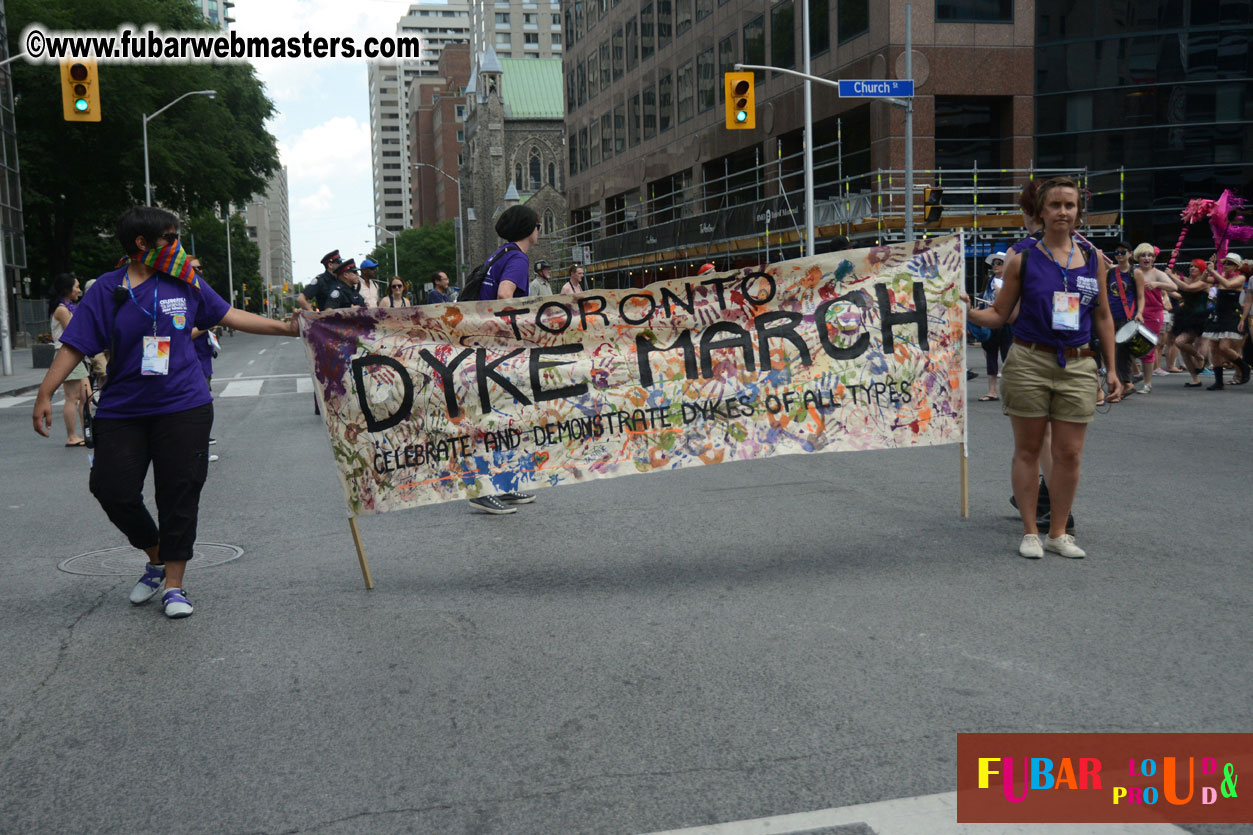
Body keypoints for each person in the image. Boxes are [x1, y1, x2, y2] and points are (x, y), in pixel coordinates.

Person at [31, 207, 298, 619]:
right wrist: (44, 392)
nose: (178, 246)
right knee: (111, 489)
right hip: (123, 408)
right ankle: (156, 557)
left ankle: (174, 585)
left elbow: (229, 315)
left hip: (184, 405)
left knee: (178, 493)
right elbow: (75, 344)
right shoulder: (107, 288)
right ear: (142, 243)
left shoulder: (184, 280)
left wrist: (288, 328)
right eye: (170, 238)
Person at [964, 176, 1121, 560]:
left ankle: (1058, 533)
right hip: (1029, 361)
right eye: (1055, 205)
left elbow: (1103, 316)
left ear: (1078, 212)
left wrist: (1112, 370)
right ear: (1041, 211)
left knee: (1070, 453)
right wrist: (967, 311)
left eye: (1069, 205)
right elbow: (1000, 314)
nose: (1062, 212)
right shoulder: (1023, 259)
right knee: (1029, 450)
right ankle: (1031, 532)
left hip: (1079, 363)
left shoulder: (1094, 260)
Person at [467, 203, 540, 515]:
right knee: (494, 417)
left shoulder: (500, 254)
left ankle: (504, 485)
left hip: (481, 345)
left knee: (502, 417)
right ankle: (482, 490)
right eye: (538, 225)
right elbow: (504, 295)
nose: (539, 230)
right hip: (497, 349)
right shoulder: (518, 258)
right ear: (529, 229)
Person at [47, 273, 90, 446]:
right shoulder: (62, 310)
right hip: (66, 354)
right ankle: (72, 436)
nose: (79, 290)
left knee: (86, 396)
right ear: (67, 289)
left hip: (75, 355)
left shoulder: (68, 307)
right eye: (76, 286)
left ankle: (86, 432)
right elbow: (74, 332)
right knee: (72, 397)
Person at [1201, 252, 1251, 390]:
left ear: (1236, 266)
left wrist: (1213, 272)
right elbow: (1204, 279)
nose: (1225, 265)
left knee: (1224, 347)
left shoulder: (1240, 278)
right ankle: (1218, 382)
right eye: (1224, 263)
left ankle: (1244, 367)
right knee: (1214, 348)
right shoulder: (1221, 277)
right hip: (1218, 315)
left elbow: (1228, 284)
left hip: (1231, 315)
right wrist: (1208, 268)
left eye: (1229, 263)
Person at [187, 256, 220, 463]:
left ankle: (201, 443)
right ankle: (198, 448)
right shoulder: (181, 295)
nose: (199, 271)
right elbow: (184, 334)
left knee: (203, 402)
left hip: (203, 357)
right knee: (198, 404)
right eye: (194, 268)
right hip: (190, 361)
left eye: (200, 268)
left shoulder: (199, 292)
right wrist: (207, 325)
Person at [1131, 243, 1172, 391]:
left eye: (1150, 255)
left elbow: (1174, 287)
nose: (1146, 258)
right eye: (1143, 255)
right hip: (1134, 313)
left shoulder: (1157, 273)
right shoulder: (1133, 272)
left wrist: (1157, 284)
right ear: (1137, 258)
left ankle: (1147, 383)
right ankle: (1137, 373)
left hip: (1153, 315)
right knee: (1127, 346)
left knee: (1147, 349)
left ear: (1154, 259)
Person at [1103, 242, 1142, 398]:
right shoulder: (1110, 273)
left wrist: (1140, 313)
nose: (1119, 255)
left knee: (1122, 352)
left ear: (1130, 254)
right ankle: (1124, 383)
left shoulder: (1135, 273)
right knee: (1112, 351)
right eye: (1116, 252)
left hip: (1128, 316)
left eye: (1123, 252)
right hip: (1111, 316)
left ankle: (1126, 383)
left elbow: (1141, 296)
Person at [1168, 259, 1212, 386]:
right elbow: (1176, 289)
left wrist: (1171, 276)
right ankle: (1195, 379)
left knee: (1180, 342)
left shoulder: (1204, 282)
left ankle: (1199, 357)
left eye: (1196, 267)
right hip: (1185, 316)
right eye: (1191, 266)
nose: (1192, 268)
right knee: (1183, 349)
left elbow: (1188, 288)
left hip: (1199, 318)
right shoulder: (1186, 279)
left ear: (1201, 270)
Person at [977, 252, 1011, 402]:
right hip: (990, 321)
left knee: (1007, 357)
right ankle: (992, 391)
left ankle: (1010, 391)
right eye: (994, 264)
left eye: (999, 263)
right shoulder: (990, 281)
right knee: (990, 356)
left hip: (1006, 323)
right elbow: (985, 297)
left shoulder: (1010, 281)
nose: (995, 266)